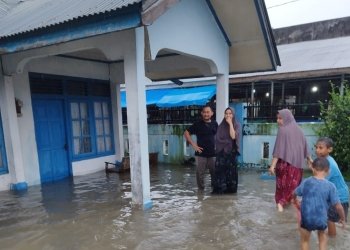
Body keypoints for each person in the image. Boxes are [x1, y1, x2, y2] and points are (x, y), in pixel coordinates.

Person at [292, 157, 345, 250]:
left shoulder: (306, 182)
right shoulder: (330, 186)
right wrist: (342, 218)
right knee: (322, 238)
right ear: (328, 170)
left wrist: (294, 200)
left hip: (307, 219)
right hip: (321, 219)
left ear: (312, 168)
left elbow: (294, 193)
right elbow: (338, 206)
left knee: (305, 240)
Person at [269, 109, 312, 212]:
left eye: (280, 118)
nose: (278, 121)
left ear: (287, 118)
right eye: (277, 118)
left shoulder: (282, 130)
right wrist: (310, 159)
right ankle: (286, 210)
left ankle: (280, 205)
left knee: (282, 190)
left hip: (284, 166)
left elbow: (278, 150)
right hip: (297, 167)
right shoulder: (299, 130)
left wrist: (272, 166)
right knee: (293, 190)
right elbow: (305, 146)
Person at [315, 137, 349, 237]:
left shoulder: (329, 164)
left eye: (321, 148)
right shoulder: (326, 160)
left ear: (329, 149)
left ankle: (332, 241)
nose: (317, 150)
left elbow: (319, 182)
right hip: (338, 195)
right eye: (316, 147)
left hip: (339, 197)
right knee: (331, 219)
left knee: (330, 220)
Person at [184, 105, 218, 191]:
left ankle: (214, 192)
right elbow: (186, 133)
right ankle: (200, 193)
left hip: (213, 153)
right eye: (204, 112)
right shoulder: (197, 124)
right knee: (200, 174)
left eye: (208, 112)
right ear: (201, 113)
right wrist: (193, 145)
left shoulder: (215, 123)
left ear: (212, 113)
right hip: (200, 154)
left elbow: (218, 136)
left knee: (214, 173)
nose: (206, 114)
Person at [212, 107, 240, 194]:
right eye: (226, 113)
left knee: (231, 175)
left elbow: (233, 136)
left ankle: (230, 196)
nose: (228, 115)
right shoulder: (221, 126)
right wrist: (226, 143)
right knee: (219, 174)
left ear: (233, 114)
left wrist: (230, 124)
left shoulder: (237, 125)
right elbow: (217, 139)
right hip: (221, 154)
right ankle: (219, 196)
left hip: (231, 154)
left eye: (230, 113)